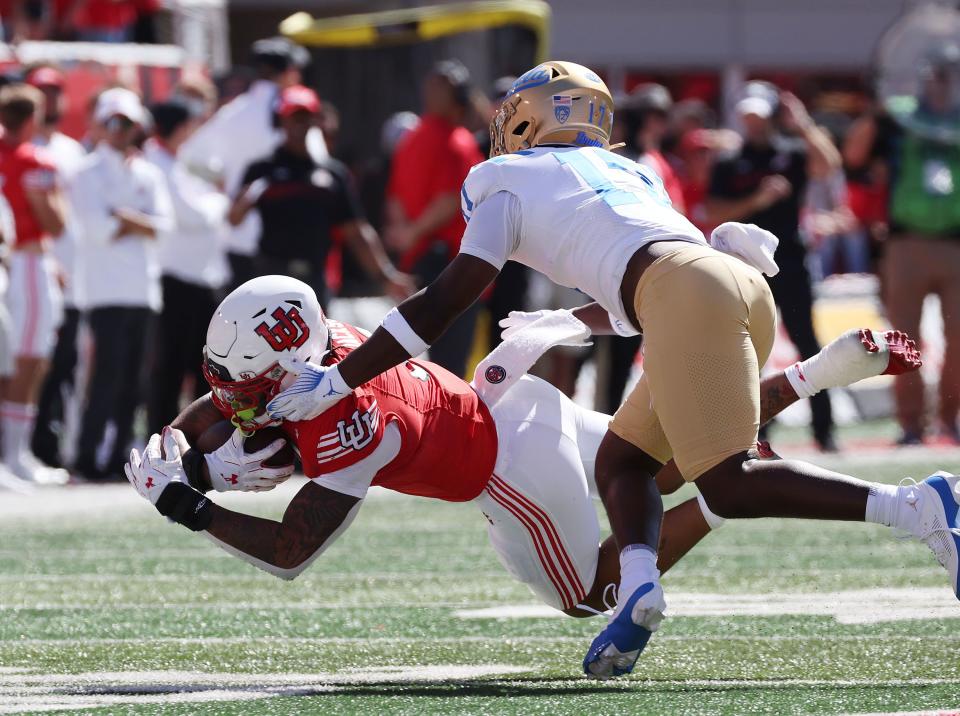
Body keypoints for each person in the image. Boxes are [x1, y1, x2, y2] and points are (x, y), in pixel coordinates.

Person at [255, 61, 958, 679]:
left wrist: (342, 379)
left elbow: (450, 295)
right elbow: (644, 277)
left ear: (525, 119)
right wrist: (569, 321)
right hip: (728, 284)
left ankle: (918, 507)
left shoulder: (504, 175)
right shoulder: (629, 170)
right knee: (622, 464)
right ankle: (637, 590)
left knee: (728, 482)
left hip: (685, 292)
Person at [124, 277, 925, 648]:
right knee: (664, 459)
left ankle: (723, 503)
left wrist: (187, 506)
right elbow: (243, 403)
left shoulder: (348, 425)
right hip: (520, 403)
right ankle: (813, 375)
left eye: (244, 378)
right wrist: (181, 447)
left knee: (595, 594)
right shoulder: (327, 347)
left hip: (509, 471)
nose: (228, 394)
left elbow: (292, 554)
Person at [706, 84, 842, 452]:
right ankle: (756, 431)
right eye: (747, 117)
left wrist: (803, 124)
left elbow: (829, 165)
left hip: (792, 264)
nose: (752, 124)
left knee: (807, 344)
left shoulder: (794, 152)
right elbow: (714, 211)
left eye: (758, 117)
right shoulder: (730, 162)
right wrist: (757, 199)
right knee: (749, 350)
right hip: (746, 270)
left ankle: (825, 430)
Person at [845, 46, 960, 445]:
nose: (939, 84)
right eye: (934, 75)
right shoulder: (899, 117)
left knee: (959, 338)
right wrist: (877, 111)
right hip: (906, 243)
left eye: (947, 76)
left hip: (955, 244)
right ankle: (911, 423)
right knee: (904, 339)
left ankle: (951, 418)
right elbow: (855, 158)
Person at [228, 85, 413, 309]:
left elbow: (356, 233)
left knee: (318, 343)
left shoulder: (333, 175)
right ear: (281, 120)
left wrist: (386, 276)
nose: (299, 124)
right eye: (293, 117)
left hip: (314, 279)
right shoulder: (262, 170)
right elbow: (234, 219)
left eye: (305, 117)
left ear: (315, 120)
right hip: (271, 279)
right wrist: (247, 199)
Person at [70, 88, 172, 481]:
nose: (119, 130)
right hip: (104, 290)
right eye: (113, 121)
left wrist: (126, 217)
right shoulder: (86, 171)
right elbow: (99, 230)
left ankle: (120, 460)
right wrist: (136, 221)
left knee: (134, 381)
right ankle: (85, 458)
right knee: (105, 377)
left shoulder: (148, 172)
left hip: (142, 291)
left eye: (126, 123)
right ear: (101, 124)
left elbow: (164, 227)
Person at [180, 37, 326, 291]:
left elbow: (189, 157)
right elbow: (319, 164)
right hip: (287, 240)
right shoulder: (296, 116)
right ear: (290, 72)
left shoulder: (233, 111)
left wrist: (222, 181)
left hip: (239, 236)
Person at [384, 60, 484, 377]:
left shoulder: (412, 138)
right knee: (448, 365)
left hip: (417, 259)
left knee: (412, 358)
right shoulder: (457, 141)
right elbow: (451, 200)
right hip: (450, 263)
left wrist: (405, 234)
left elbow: (396, 198)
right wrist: (412, 233)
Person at [143, 100, 229, 433]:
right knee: (170, 367)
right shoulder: (158, 163)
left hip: (198, 279)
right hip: (177, 279)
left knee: (201, 366)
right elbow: (194, 215)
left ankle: (195, 436)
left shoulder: (173, 163)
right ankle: (164, 437)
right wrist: (220, 201)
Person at [0, 83, 69, 484]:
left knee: (27, 357)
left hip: (22, 263)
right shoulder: (33, 160)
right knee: (28, 359)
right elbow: (54, 223)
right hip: (26, 262)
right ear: (32, 118)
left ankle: (17, 454)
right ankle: (14, 455)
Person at [26, 65, 88, 469]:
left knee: (61, 365)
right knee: (29, 363)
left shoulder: (72, 150)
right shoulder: (18, 147)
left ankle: (45, 446)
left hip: (70, 277)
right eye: (40, 91)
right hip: (32, 267)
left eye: (54, 91)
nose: (49, 99)